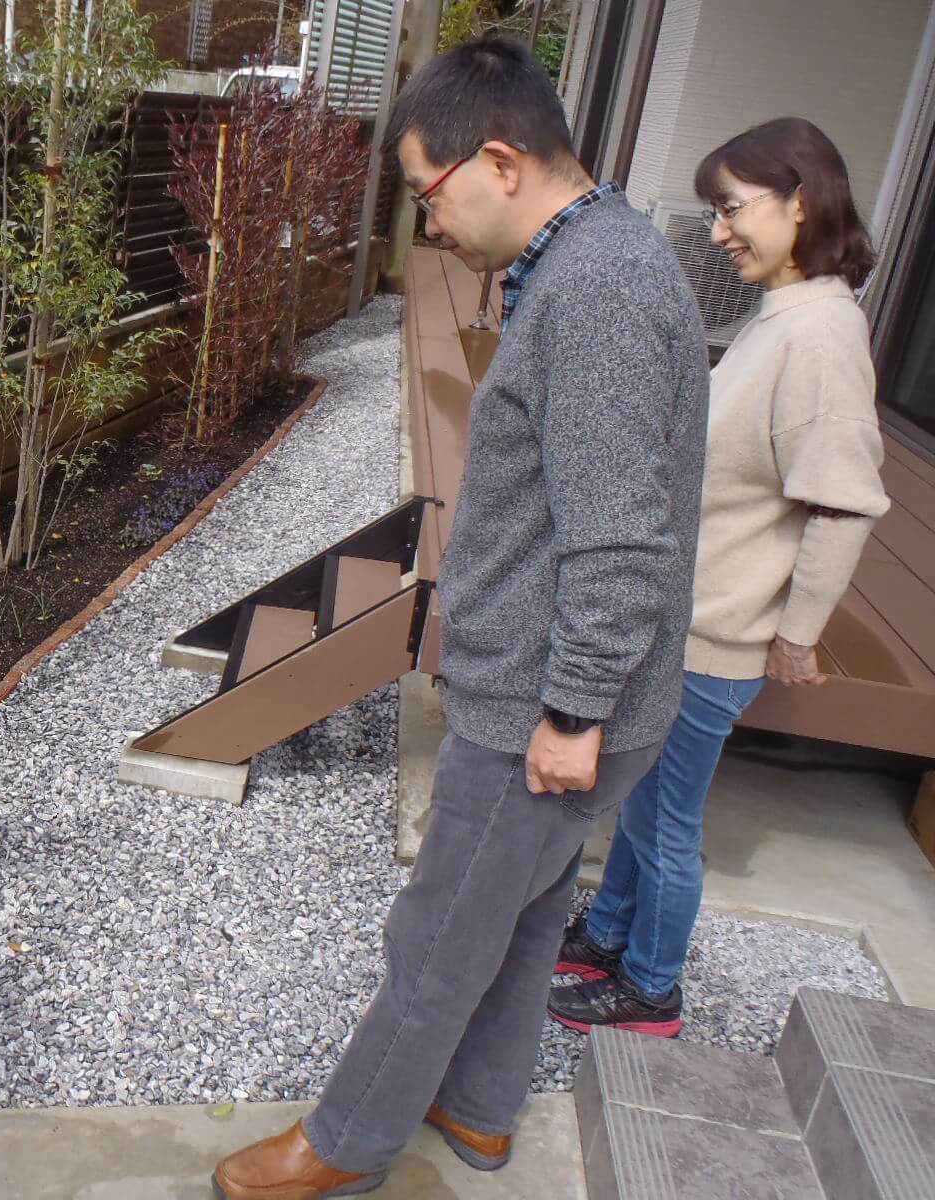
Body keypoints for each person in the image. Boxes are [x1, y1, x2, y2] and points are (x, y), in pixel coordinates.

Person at [211, 36, 708, 1199]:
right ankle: (478, 1114)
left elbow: (620, 541)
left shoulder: (596, 291)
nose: (428, 223)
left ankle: (346, 1143)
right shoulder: (597, 260)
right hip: (557, 686)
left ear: (498, 160)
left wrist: (573, 709)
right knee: (525, 915)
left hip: (548, 699)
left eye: (428, 194)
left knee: (438, 933)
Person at [548, 118, 889, 1038]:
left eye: (733, 208)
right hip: (688, 620)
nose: (717, 231)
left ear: (802, 201)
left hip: (719, 633)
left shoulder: (820, 335)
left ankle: (651, 988)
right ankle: (611, 939)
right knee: (645, 803)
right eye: (713, 211)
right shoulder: (783, 318)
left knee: (665, 822)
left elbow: (845, 501)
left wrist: (797, 631)